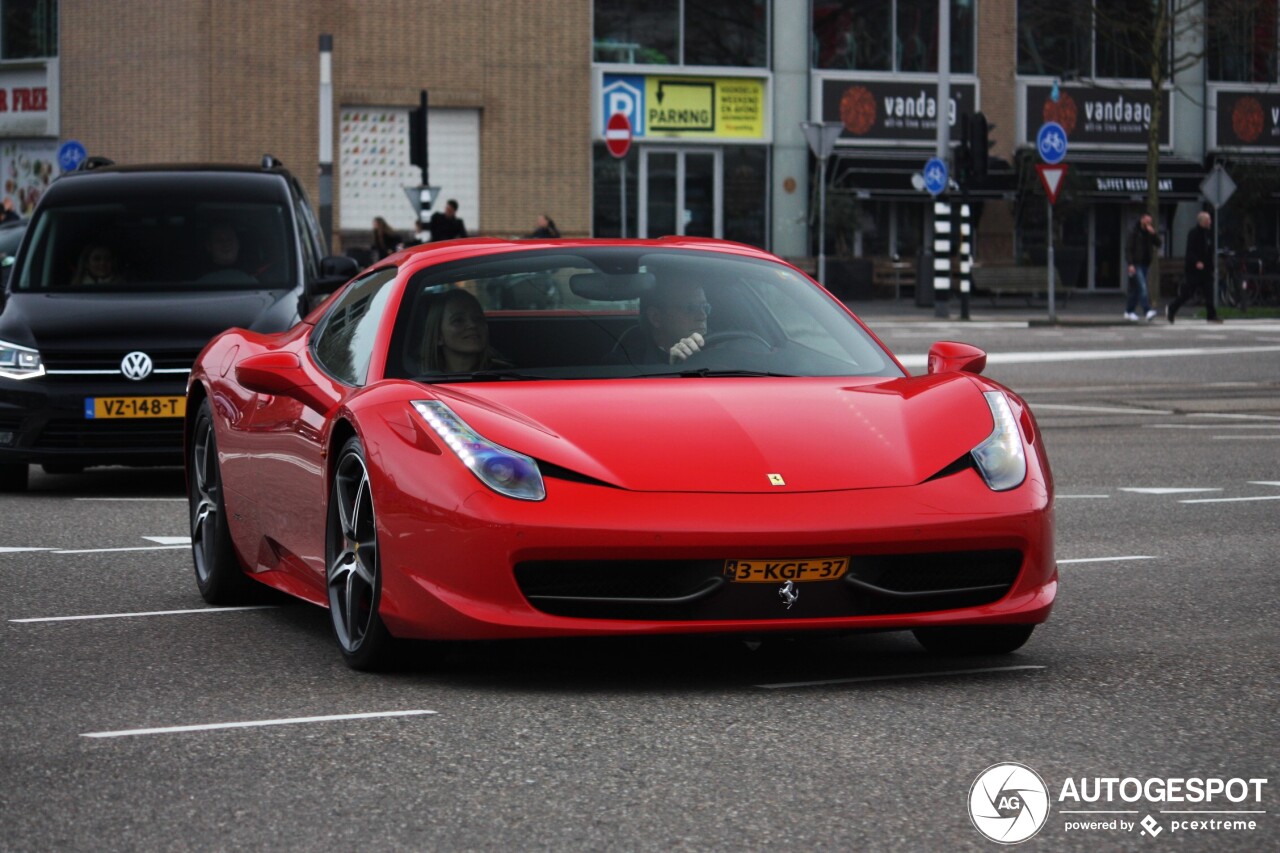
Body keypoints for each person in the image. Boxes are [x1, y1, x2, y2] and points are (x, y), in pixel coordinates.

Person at [609, 278, 711, 365]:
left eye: (705, 307)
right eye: (690, 308)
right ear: (656, 317)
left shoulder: (722, 345)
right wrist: (675, 370)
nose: (702, 316)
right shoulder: (628, 364)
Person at [419, 288, 508, 372]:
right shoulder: (419, 382)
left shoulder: (507, 376)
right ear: (439, 336)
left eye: (478, 318)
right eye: (458, 320)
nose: (472, 325)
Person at [1167, 211, 1221, 324]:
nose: (1210, 222)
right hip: (1194, 271)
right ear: (1202, 222)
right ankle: (1172, 308)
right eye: (1208, 220)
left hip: (1206, 270)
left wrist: (1211, 266)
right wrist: (1196, 262)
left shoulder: (1208, 234)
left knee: (1209, 293)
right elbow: (1190, 251)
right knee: (1187, 293)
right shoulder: (1193, 233)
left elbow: (1210, 251)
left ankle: (1211, 315)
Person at [1124, 213, 1162, 322]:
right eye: (1146, 221)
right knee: (1143, 287)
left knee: (1136, 289)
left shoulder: (1149, 233)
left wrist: (1153, 234)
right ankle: (1147, 310)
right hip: (1136, 263)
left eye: (1150, 221)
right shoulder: (1134, 232)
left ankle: (1129, 311)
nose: (1148, 223)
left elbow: (1158, 243)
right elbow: (1129, 249)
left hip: (1145, 263)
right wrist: (1130, 263)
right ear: (1142, 220)